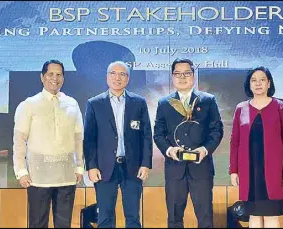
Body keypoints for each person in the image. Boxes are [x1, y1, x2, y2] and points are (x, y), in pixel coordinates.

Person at [13, 60, 84, 228]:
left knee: (64, 224)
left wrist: (79, 166)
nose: (55, 78)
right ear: (42, 77)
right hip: (38, 178)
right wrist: (21, 171)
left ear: (63, 78)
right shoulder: (28, 105)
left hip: (66, 177)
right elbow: (19, 141)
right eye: (50, 74)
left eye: (59, 74)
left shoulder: (72, 103)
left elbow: (78, 138)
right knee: (38, 223)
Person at [154, 58, 224, 228]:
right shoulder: (164, 104)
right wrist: (169, 150)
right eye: (177, 73)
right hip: (174, 169)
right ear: (172, 77)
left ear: (193, 76)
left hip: (201, 168)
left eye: (186, 73)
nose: (182, 77)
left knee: (205, 218)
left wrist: (205, 150)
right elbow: (158, 134)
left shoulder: (207, 100)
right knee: (174, 218)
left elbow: (216, 130)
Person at [83, 61, 152, 228]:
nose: (117, 77)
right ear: (107, 77)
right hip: (104, 167)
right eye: (113, 73)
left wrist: (145, 164)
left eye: (122, 74)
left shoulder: (139, 102)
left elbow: (146, 135)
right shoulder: (95, 103)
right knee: (105, 217)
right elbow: (89, 138)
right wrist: (91, 166)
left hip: (133, 167)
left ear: (128, 78)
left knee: (133, 217)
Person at [229, 66, 283, 228]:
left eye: (262, 80)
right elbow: (235, 142)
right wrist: (234, 170)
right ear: (249, 84)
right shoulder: (241, 109)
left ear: (269, 83)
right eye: (253, 80)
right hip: (250, 172)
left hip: (275, 172)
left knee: (272, 216)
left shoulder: (280, 107)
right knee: (254, 216)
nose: (258, 83)